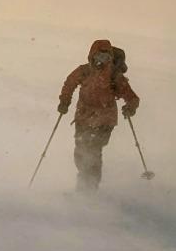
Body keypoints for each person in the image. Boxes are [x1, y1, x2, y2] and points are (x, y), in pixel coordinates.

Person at [57, 39, 140, 191]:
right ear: (91, 56)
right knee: (81, 152)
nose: (101, 61)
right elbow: (69, 83)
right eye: (98, 57)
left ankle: (89, 190)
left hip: (105, 121)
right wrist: (64, 101)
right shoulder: (84, 71)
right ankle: (84, 186)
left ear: (110, 59)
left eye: (106, 58)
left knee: (93, 152)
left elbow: (132, 98)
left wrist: (130, 107)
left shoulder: (115, 76)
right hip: (83, 117)